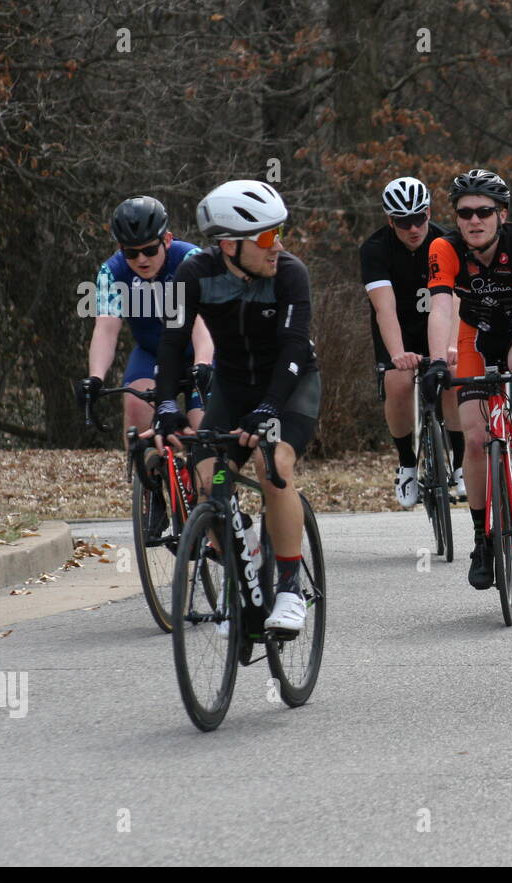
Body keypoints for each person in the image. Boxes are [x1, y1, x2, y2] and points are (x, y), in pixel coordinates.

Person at [152, 180, 321, 633]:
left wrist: (268, 408)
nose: (277, 245)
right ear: (229, 244)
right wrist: (167, 406)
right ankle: (242, 570)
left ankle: (289, 590)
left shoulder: (290, 273)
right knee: (208, 482)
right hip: (232, 388)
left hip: (290, 386)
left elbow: (291, 348)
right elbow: (172, 342)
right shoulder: (192, 274)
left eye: (278, 232)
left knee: (274, 468)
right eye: (266, 237)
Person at [420, 169, 512, 590]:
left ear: (502, 214)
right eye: (464, 213)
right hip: (473, 334)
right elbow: (441, 308)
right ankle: (481, 539)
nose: (473, 220)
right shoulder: (443, 247)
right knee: (476, 439)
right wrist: (436, 362)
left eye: (484, 211)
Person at [361, 176, 467, 505]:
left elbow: (454, 301)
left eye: (419, 218)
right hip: (399, 330)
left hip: (441, 322)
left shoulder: (446, 242)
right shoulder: (375, 249)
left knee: (451, 377)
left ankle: (461, 465)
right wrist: (397, 354)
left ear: (429, 212)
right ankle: (407, 463)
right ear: (390, 220)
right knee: (398, 383)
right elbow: (384, 308)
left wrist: (450, 346)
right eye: (404, 222)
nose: (413, 228)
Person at [78, 196, 213, 444]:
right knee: (135, 407)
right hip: (151, 352)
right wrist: (95, 378)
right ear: (120, 249)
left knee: (204, 427)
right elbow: (106, 330)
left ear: (168, 240)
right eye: (131, 252)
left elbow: (200, 323)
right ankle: (144, 475)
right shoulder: (113, 272)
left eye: (150, 250)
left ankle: (210, 478)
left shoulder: (190, 259)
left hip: (198, 351)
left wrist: (203, 364)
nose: (141, 260)